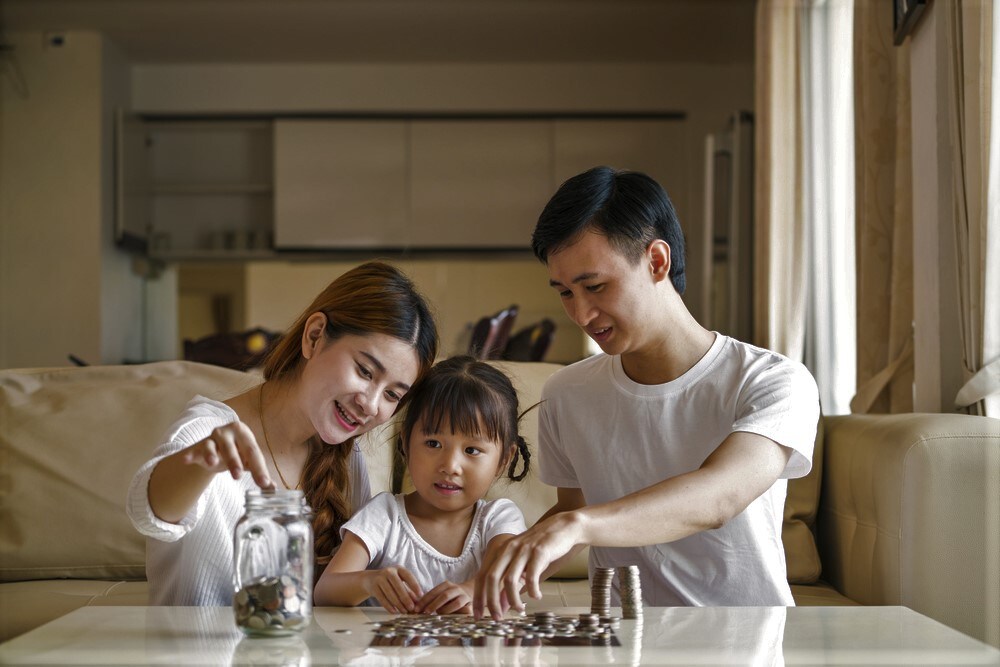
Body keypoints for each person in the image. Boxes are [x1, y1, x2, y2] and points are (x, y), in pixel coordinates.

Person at [473, 166, 820, 619]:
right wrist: (483, 587)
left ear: (657, 261)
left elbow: (719, 498)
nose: (580, 313)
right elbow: (571, 513)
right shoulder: (567, 393)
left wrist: (577, 525)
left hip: (746, 641)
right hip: (623, 641)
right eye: (565, 293)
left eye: (595, 286)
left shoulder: (773, 381)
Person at [126, 261, 438, 606]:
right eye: (364, 370)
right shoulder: (209, 431)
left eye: (393, 394)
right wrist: (199, 462)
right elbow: (150, 514)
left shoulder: (347, 459)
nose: (370, 404)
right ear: (315, 336)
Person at [314, 355, 532, 615]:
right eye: (433, 444)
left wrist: (471, 590)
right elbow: (325, 591)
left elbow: (511, 577)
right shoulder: (384, 514)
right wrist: (369, 581)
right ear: (406, 442)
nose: (450, 466)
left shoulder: (498, 519)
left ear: (503, 460)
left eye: (472, 450)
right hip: (390, 651)